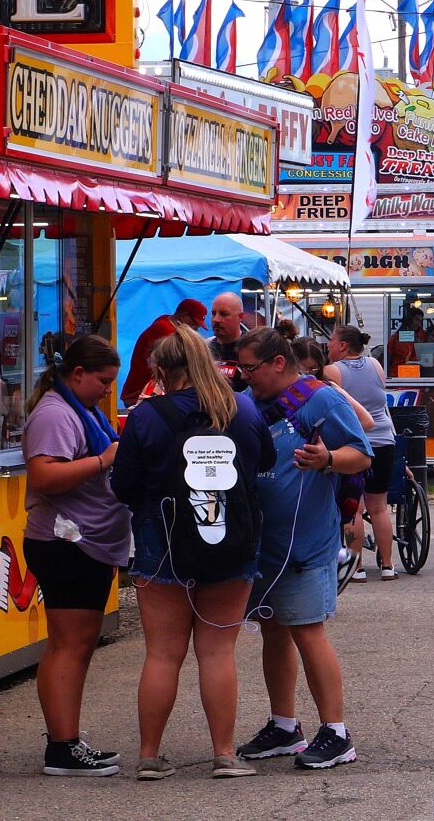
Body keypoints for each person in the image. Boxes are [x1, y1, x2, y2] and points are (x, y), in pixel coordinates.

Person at [111, 324, 274, 780]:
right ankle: (224, 754)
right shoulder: (241, 409)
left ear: (161, 370)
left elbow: (123, 485)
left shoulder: (146, 416)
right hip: (231, 543)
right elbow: (266, 464)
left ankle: (148, 756)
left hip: (160, 544)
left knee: (162, 654)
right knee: (218, 653)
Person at [235, 329, 372, 770]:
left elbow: (362, 453)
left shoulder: (321, 399)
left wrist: (327, 459)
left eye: (250, 368)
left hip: (305, 544)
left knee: (308, 631)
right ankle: (284, 725)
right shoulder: (251, 402)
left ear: (278, 362)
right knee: (274, 631)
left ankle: (336, 732)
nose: (244, 376)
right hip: (263, 544)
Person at [22, 333, 128, 776]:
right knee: (69, 644)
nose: (108, 390)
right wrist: (106, 460)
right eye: (103, 380)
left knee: (76, 644)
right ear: (77, 373)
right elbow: (44, 475)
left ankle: (67, 740)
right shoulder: (55, 413)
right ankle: (62, 747)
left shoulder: (76, 408)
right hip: (66, 543)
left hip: (84, 541)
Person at [323, 325, 399, 583]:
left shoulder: (332, 371)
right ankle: (388, 565)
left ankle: (357, 568)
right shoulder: (376, 365)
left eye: (331, 341)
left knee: (354, 508)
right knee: (379, 507)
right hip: (384, 441)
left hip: (355, 444)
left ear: (343, 345)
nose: (328, 345)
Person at [121, 299, 208, 404]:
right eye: (194, 323)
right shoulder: (166, 331)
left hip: (144, 391)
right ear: (184, 315)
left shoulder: (166, 321)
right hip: (141, 392)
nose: (195, 329)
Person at [207, 292, 248, 392]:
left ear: (240, 317)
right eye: (213, 313)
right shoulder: (204, 348)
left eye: (224, 314)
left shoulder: (251, 349)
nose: (216, 319)